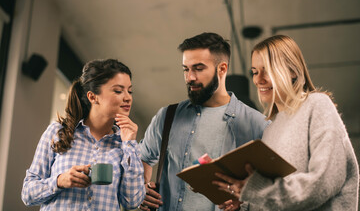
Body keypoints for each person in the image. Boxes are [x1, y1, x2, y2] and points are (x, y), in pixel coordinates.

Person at [213, 35, 359, 211]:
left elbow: (325, 181)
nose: (259, 80)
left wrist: (256, 190)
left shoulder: (317, 105)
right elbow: (273, 197)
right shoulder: (270, 130)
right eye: (255, 72)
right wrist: (243, 203)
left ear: (293, 71)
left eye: (267, 70)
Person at [138, 32, 270, 211]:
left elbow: (273, 188)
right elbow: (143, 158)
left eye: (198, 68)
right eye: (186, 69)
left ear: (222, 69)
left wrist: (245, 203)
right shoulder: (167, 116)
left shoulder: (257, 124)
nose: (190, 77)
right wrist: (141, 188)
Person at [21, 59, 145, 210]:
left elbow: (132, 202)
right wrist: (60, 181)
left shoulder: (126, 145)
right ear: (93, 97)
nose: (128, 97)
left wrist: (130, 144)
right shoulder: (58, 132)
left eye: (129, 91)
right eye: (118, 91)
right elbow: (28, 193)